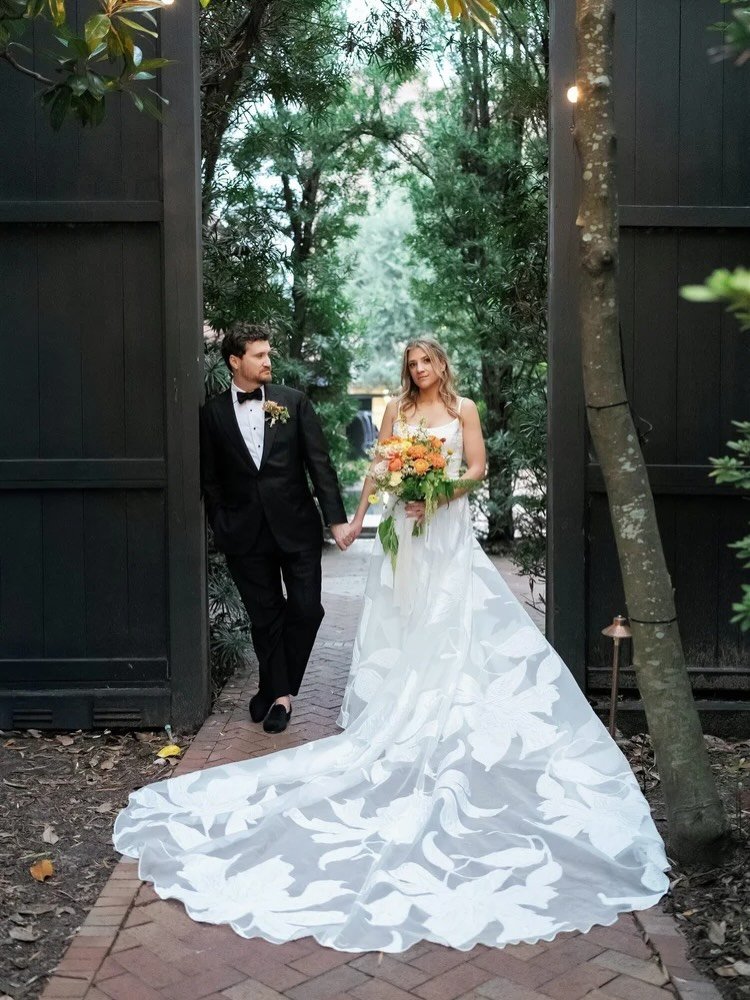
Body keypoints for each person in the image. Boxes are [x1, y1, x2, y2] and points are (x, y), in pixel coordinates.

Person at [114, 338, 668, 954]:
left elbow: (479, 469)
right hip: (405, 534)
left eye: (426, 363)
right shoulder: (395, 414)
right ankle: (356, 700)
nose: (418, 372)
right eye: (411, 366)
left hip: (446, 531)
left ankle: (441, 707)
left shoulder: (465, 411)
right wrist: (353, 520)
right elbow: (378, 469)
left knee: (450, 623)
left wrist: (440, 492)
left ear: (442, 365)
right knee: (402, 623)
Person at [199, 324, 351, 734]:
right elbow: (210, 480)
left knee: (306, 608)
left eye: (269, 354)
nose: (268, 361)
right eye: (259, 355)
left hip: (296, 528)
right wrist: (222, 522)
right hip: (244, 534)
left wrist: (336, 520)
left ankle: (270, 684)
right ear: (236, 361)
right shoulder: (211, 413)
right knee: (265, 617)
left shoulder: (294, 402)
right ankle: (281, 699)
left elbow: (320, 464)